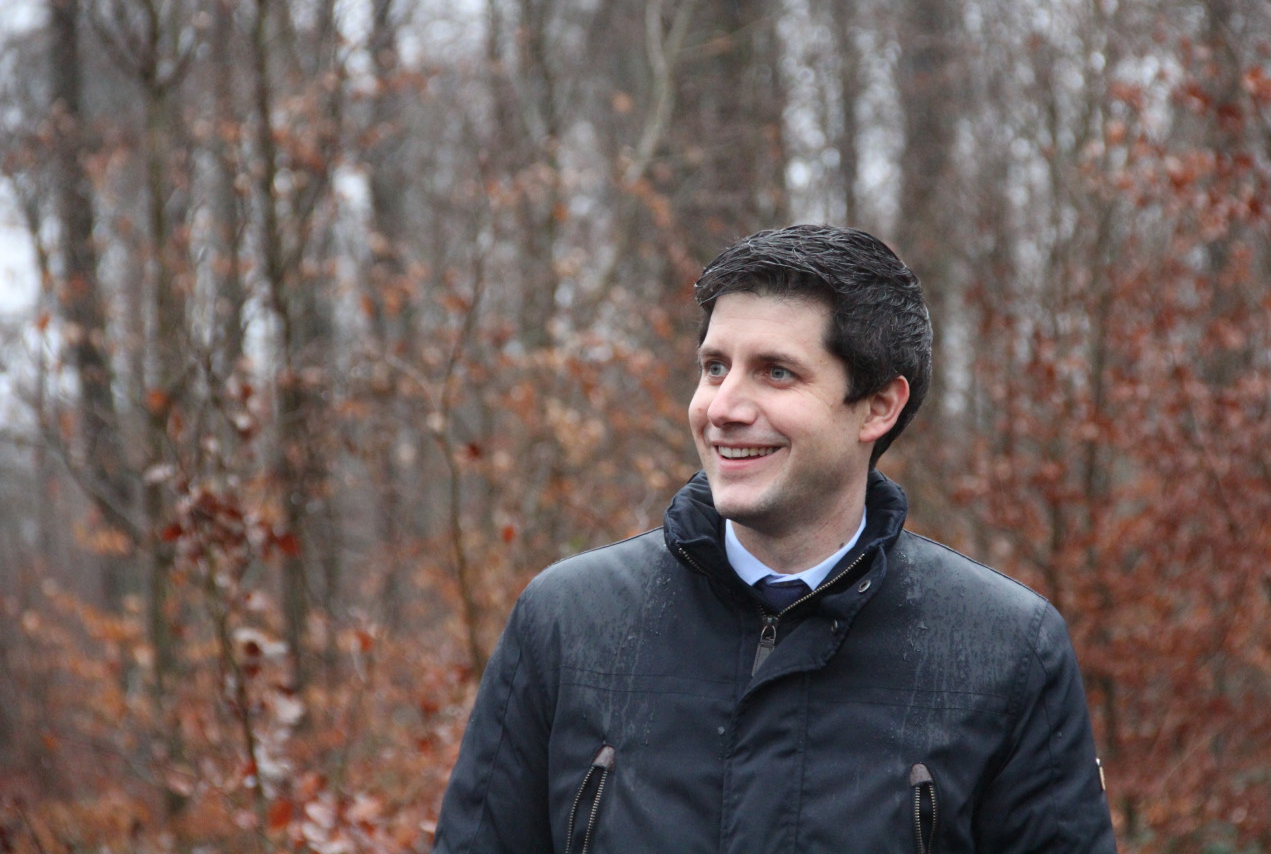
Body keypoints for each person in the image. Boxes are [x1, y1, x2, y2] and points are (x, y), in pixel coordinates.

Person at [432, 225, 1117, 853]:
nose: (723, 408)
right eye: (714, 367)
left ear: (879, 405)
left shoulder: (1007, 651)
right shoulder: (565, 623)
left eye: (776, 372)